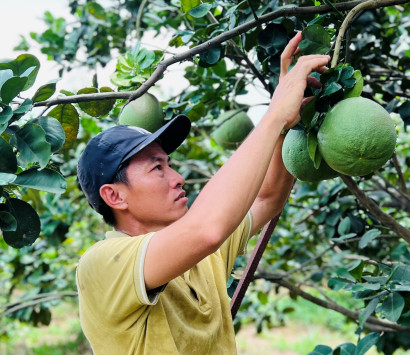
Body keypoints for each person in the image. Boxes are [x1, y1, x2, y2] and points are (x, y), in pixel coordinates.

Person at [76, 32, 329, 354]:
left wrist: (288, 121)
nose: (178, 178)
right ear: (115, 196)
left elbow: (265, 199)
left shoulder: (201, 254)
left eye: (170, 165)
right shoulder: (103, 263)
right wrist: (274, 113)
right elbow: (206, 230)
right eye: (157, 168)